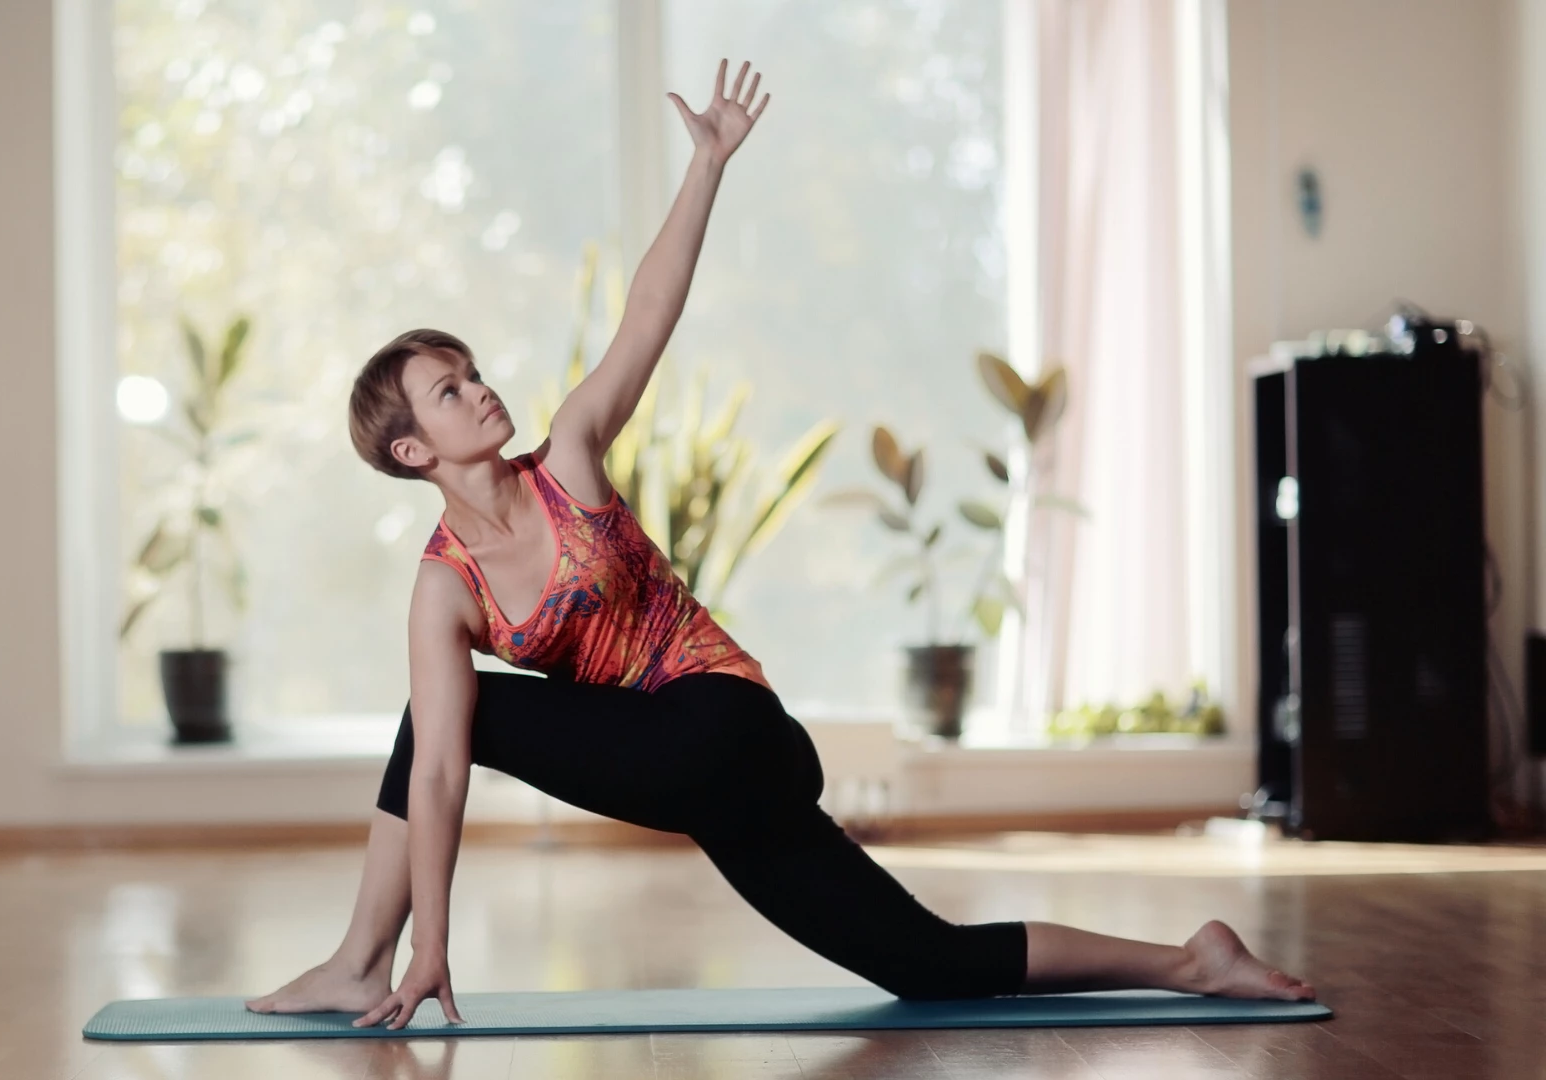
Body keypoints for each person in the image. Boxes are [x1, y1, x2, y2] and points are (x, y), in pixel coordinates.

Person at [248, 59, 1315, 1031]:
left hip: (729, 732)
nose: (480, 389)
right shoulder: (444, 593)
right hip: (708, 792)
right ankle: (1191, 962)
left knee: (453, 715)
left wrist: (707, 164)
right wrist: (435, 945)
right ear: (407, 450)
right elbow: (433, 776)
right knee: (927, 964)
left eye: (471, 370)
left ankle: (356, 958)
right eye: (449, 390)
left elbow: (647, 313)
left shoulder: (567, 457)